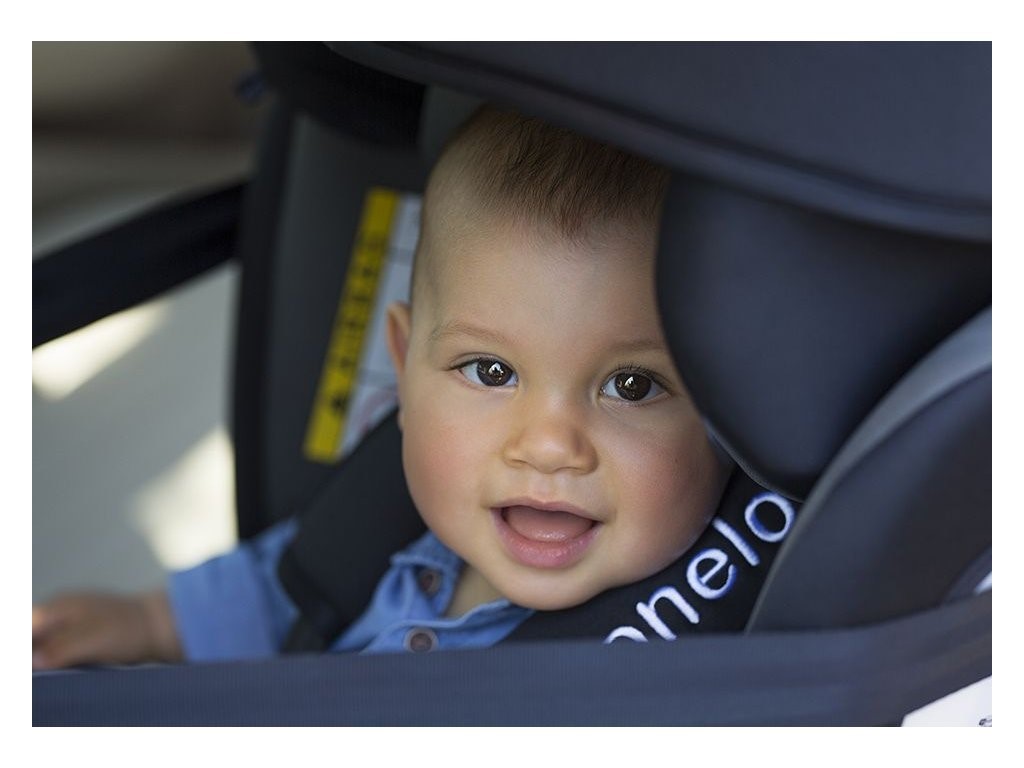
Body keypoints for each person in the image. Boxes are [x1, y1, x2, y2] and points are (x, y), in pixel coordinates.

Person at [32, 105, 732, 667]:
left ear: (734, 410)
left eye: (631, 385)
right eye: (490, 372)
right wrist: (150, 624)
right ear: (404, 366)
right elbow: (279, 595)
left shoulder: (708, 642)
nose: (549, 445)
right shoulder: (390, 520)